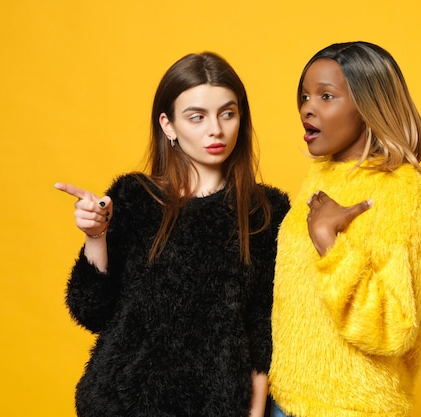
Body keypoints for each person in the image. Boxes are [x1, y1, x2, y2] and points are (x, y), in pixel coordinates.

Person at [55, 51, 290, 417]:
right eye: (197, 117)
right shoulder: (134, 197)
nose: (216, 129)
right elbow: (91, 311)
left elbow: (265, 326)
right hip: (121, 402)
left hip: (218, 405)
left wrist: (255, 412)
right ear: (168, 125)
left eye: (227, 113)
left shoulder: (265, 211)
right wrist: (96, 236)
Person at [268, 42, 421, 417]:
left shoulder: (400, 188)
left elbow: (393, 326)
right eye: (304, 96)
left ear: (369, 107)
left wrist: (330, 245)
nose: (307, 108)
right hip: (285, 401)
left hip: (350, 408)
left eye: (326, 96)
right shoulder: (320, 175)